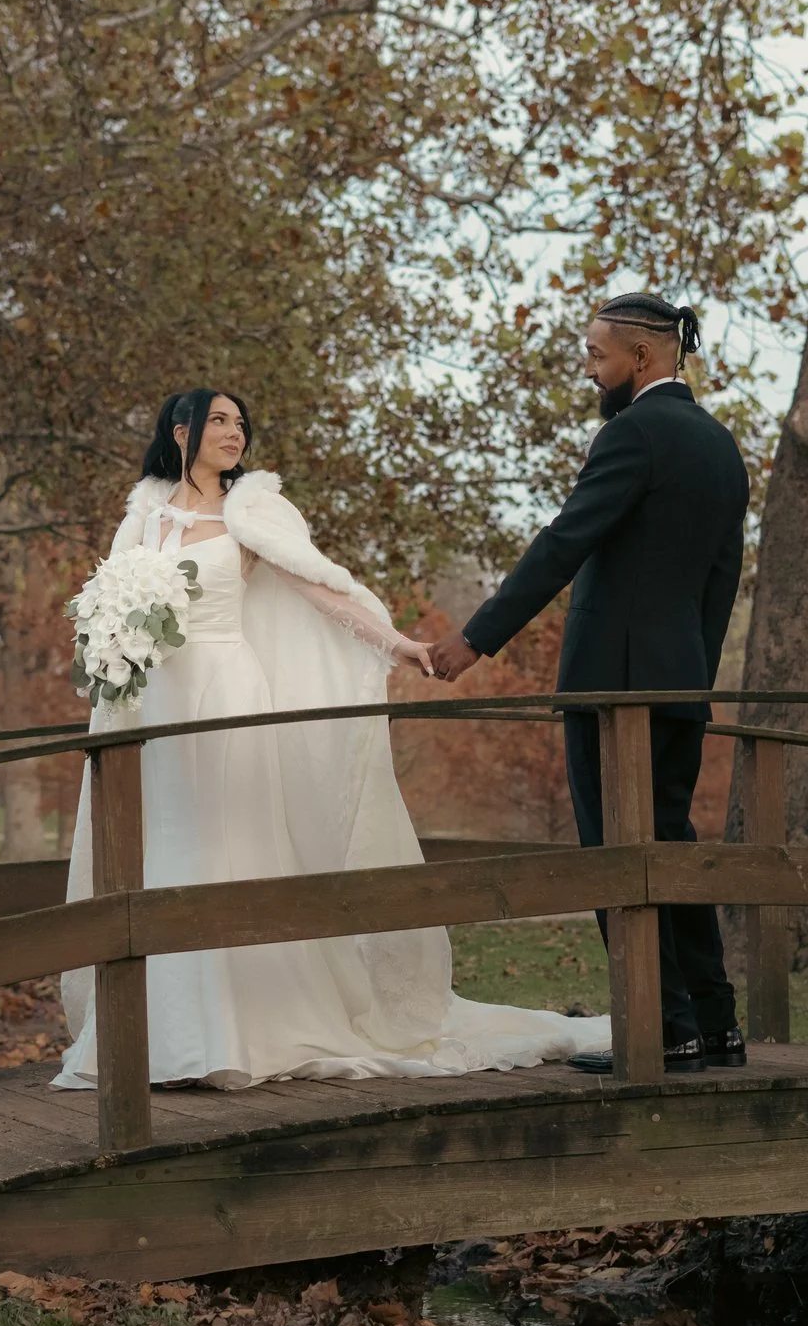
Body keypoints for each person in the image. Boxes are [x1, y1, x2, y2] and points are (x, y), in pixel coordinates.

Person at [52, 388, 610, 1090]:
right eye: (219, 421)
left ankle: (244, 1029)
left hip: (226, 693)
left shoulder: (251, 510)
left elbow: (323, 589)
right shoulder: (140, 514)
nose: (235, 433)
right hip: (154, 707)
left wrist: (402, 644)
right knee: (164, 849)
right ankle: (156, 1034)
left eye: (241, 422)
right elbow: (105, 600)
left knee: (229, 844)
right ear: (181, 429)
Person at [427, 293, 749, 1074]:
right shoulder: (719, 444)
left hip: (612, 693)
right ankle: (715, 1026)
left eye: (597, 355)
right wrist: (692, 682)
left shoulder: (633, 432)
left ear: (641, 358)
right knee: (670, 846)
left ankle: (662, 1030)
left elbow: (563, 543)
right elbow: (721, 579)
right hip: (677, 687)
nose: (590, 369)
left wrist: (475, 639)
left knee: (617, 854)